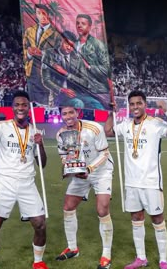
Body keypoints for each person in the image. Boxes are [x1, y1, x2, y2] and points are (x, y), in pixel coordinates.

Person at [0, 90, 49, 269]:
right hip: (4, 181)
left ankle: (38, 262)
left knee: (40, 224)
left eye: (24, 105)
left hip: (27, 182)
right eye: (17, 105)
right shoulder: (0, 127)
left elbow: (42, 164)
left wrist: (40, 145)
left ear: (29, 108)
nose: (20, 108)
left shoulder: (35, 131)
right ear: (12, 108)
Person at [104, 90, 167, 269]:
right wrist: (111, 113)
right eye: (132, 104)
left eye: (138, 103)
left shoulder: (156, 124)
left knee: (157, 219)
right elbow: (107, 131)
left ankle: (163, 260)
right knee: (136, 218)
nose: (135, 107)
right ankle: (141, 258)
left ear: (145, 104)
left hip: (151, 182)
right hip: (131, 183)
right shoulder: (125, 125)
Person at [55, 105, 114, 269]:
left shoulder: (94, 128)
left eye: (71, 112)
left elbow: (105, 153)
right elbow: (64, 157)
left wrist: (89, 169)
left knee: (102, 210)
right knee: (68, 207)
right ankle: (73, 248)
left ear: (77, 113)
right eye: (64, 113)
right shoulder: (61, 134)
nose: (68, 116)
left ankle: (106, 255)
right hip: (81, 173)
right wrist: (69, 168)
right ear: (61, 116)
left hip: (101, 171)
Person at [41, 29, 105, 110]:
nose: (69, 47)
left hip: (76, 93)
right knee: (78, 103)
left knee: (97, 104)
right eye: (66, 44)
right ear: (61, 41)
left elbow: (85, 82)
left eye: (72, 45)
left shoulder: (77, 59)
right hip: (59, 94)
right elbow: (46, 80)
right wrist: (62, 90)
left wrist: (66, 73)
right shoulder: (49, 54)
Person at [23, 3, 61, 105]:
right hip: (31, 72)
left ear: (48, 15)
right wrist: (29, 53)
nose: (42, 16)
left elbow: (60, 53)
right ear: (36, 14)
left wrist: (43, 53)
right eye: (39, 13)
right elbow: (24, 48)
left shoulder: (56, 33)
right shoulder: (29, 31)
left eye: (44, 13)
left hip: (46, 72)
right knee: (32, 102)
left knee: (45, 102)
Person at [75, 14, 112, 110]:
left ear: (90, 26)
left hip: (97, 91)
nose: (79, 25)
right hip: (79, 90)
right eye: (77, 23)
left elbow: (106, 70)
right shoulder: (73, 44)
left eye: (83, 23)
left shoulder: (98, 45)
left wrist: (89, 67)